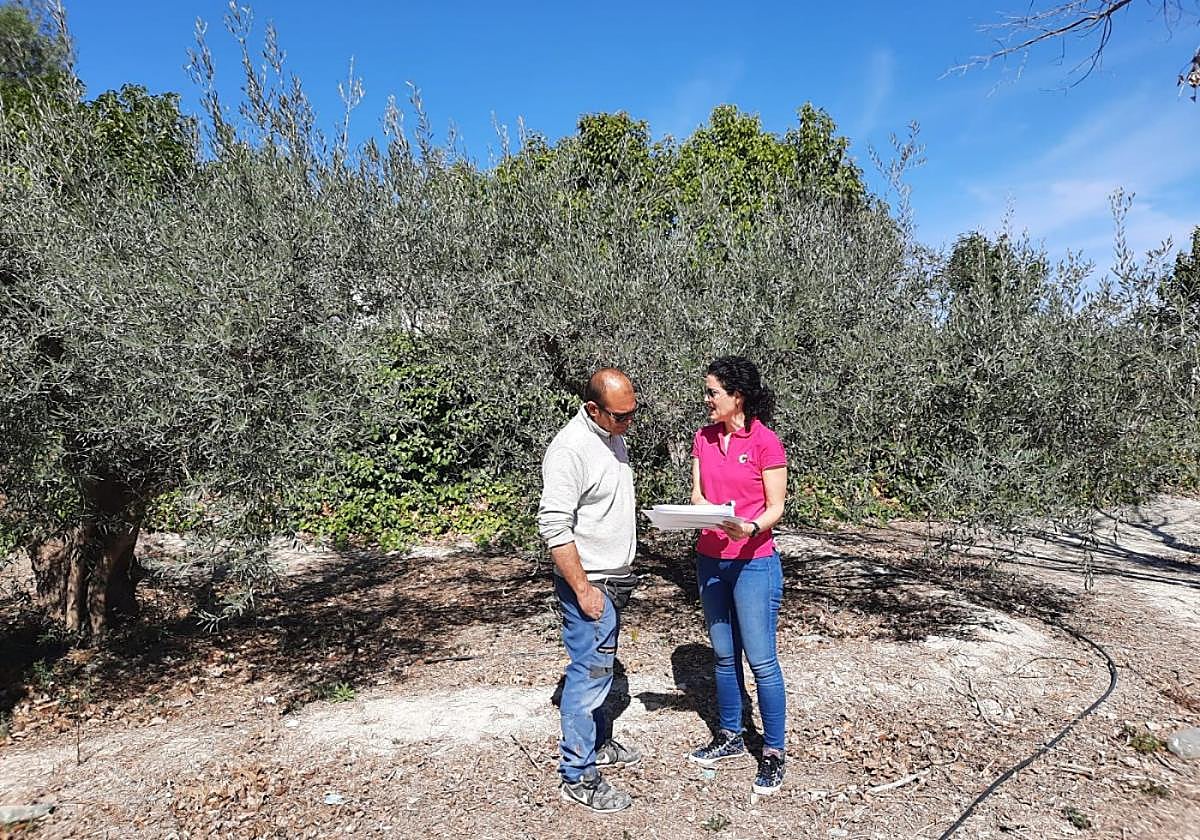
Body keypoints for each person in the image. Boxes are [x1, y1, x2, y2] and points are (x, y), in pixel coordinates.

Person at [538, 367, 643, 813]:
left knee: (600, 672)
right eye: (621, 417)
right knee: (588, 677)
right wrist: (583, 590)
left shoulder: (609, 435)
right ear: (592, 409)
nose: (628, 424)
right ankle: (578, 776)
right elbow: (554, 527)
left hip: (612, 580)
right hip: (592, 584)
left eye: (633, 414)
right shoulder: (569, 450)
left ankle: (598, 745)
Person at [686, 356, 789, 796]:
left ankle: (773, 751)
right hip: (711, 560)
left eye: (713, 392)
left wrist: (748, 527)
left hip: (754, 563)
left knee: (762, 662)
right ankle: (730, 735)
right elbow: (698, 494)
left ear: (737, 396)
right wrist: (694, 514)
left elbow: (775, 508)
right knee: (724, 656)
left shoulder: (766, 443)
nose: (706, 399)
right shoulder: (703, 438)